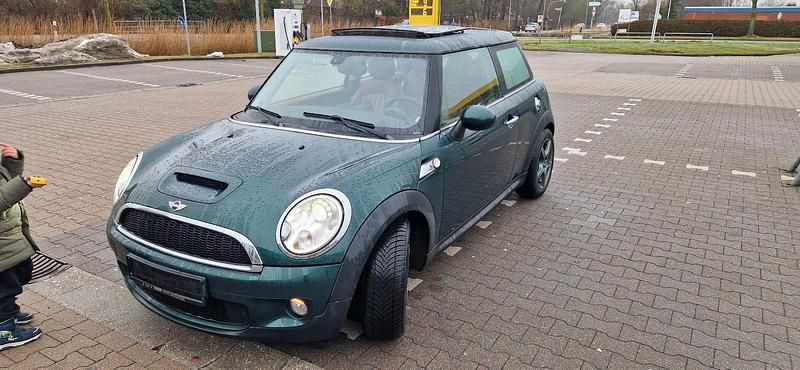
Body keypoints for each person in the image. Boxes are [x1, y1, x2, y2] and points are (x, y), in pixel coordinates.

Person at [0, 143, 42, 350]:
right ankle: (4, 330)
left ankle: (8, 313)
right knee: (5, 288)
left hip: (7, 240)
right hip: (2, 248)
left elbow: (4, 178)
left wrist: (12, 162)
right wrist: (21, 185)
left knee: (17, 277)